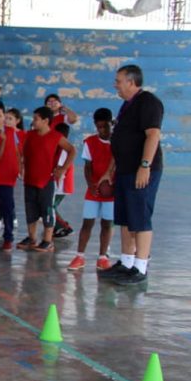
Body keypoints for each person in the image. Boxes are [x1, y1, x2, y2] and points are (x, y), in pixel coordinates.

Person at [101, 64, 164, 285]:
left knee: (140, 218)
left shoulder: (148, 102)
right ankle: (126, 263)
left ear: (131, 82)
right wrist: (111, 170)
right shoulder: (127, 106)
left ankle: (140, 267)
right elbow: (120, 140)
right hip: (125, 171)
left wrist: (144, 165)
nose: (115, 84)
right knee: (126, 220)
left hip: (141, 170)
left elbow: (153, 135)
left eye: (118, 81)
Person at [18, 106, 76, 253]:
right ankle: (32, 238)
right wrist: (21, 167)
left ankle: (47, 241)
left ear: (45, 121)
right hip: (30, 180)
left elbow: (72, 150)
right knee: (30, 210)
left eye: (36, 119)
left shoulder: (55, 137)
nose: (33, 122)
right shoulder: (29, 135)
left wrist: (62, 168)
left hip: (46, 181)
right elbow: (22, 154)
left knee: (47, 210)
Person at [68, 108, 115, 272]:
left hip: (111, 190)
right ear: (95, 126)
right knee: (87, 222)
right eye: (99, 127)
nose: (102, 130)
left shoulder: (118, 142)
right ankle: (79, 255)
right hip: (94, 189)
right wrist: (90, 184)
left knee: (107, 224)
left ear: (111, 123)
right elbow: (87, 166)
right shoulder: (90, 142)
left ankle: (102, 257)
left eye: (105, 126)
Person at [0, 107, 23, 250]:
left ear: (17, 121)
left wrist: (20, 169)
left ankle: (8, 237)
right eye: (4, 117)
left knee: (7, 206)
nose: (5, 120)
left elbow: (19, 153)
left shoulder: (16, 134)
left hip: (7, 175)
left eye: (9, 118)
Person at [52, 123, 76, 239]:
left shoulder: (63, 150)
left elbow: (60, 169)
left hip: (61, 186)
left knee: (49, 207)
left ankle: (65, 227)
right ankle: (57, 227)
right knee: (51, 207)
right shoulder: (63, 148)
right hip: (61, 186)